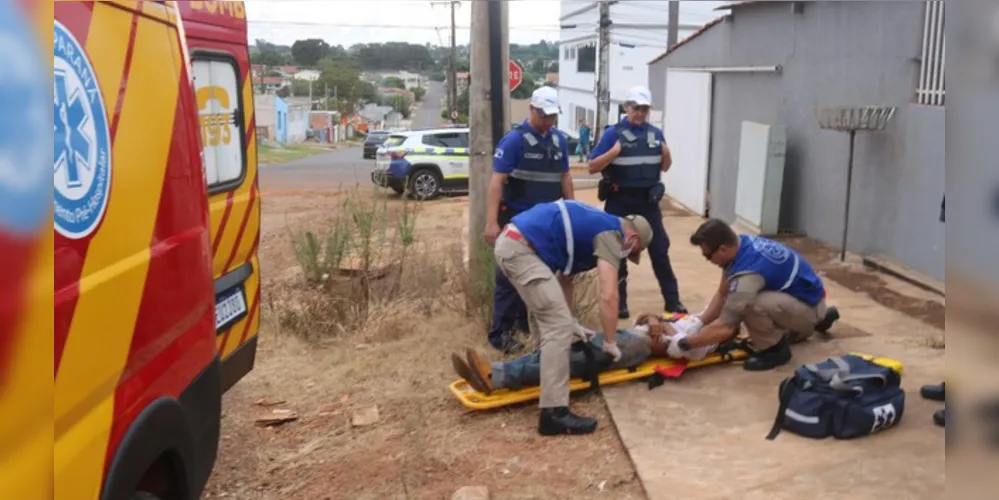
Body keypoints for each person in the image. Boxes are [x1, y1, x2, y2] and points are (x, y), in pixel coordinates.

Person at [492, 199, 653, 435]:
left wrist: (572, 323)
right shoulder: (612, 235)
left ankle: (535, 375)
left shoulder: (594, 223)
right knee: (557, 328)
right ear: (633, 240)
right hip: (522, 250)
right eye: (632, 253)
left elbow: (564, 279)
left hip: (515, 244)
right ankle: (554, 413)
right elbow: (609, 296)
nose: (625, 257)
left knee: (553, 322)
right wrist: (609, 342)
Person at [667, 219, 840, 371]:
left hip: (809, 307)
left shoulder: (748, 273)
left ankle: (775, 350)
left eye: (707, 256)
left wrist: (685, 343)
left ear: (722, 249)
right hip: (808, 297)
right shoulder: (741, 244)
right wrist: (699, 322)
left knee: (751, 305)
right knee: (741, 297)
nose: (708, 260)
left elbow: (726, 327)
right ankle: (818, 319)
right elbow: (722, 293)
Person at [484, 86, 575, 354]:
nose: (548, 121)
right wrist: (491, 222)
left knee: (539, 276)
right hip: (517, 219)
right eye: (544, 115)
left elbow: (565, 177)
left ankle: (526, 324)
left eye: (552, 116)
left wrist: (571, 211)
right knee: (507, 277)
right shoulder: (514, 141)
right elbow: (496, 182)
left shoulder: (558, 141)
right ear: (532, 110)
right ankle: (500, 333)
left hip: (548, 224)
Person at [587, 85, 685, 318]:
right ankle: (620, 304)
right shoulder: (613, 133)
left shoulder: (655, 134)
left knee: (660, 250)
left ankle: (673, 302)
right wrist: (613, 153)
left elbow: (664, 166)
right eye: (635, 108)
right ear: (626, 108)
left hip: (647, 202)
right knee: (619, 252)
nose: (639, 113)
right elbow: (592, 166)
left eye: (644, 109)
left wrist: (668, 155)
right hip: (620, 200)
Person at [451, 313, 714, 395]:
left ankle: (497, 376)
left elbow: (677, 346)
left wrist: (663, 325)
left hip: (636, 348)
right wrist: (656, 318)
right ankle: (495, 370)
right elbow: (645, 317)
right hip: (625, 335)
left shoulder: (705, 342)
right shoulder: (695, 318)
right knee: (558, 351)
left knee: (572, 360)